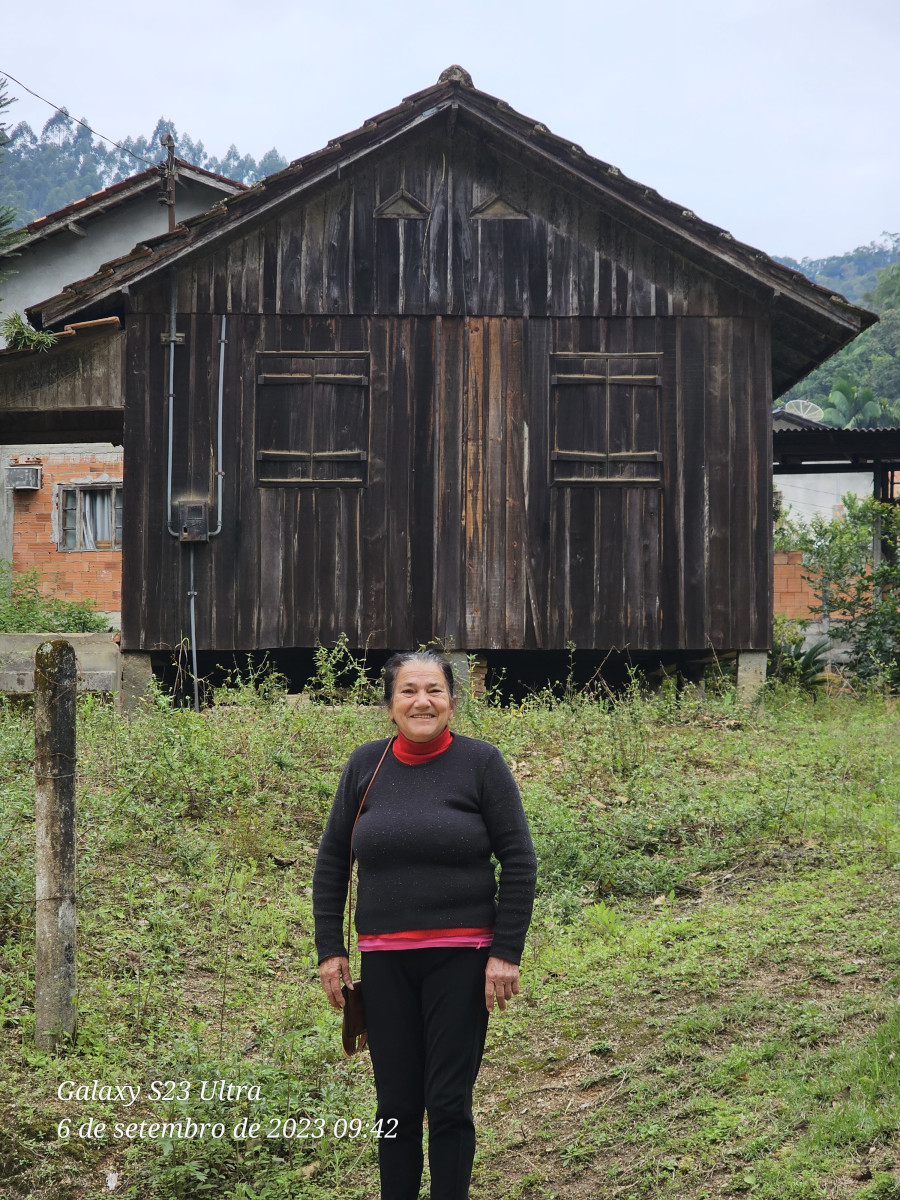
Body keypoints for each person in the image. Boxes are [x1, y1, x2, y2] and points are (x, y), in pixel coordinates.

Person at [313, 649, 537, 1200]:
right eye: (409, 691)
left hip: (461, 959)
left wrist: (506, 952)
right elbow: (332, 861)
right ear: (390, 705)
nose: (422, 701)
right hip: (385, 962)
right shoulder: (366, 766)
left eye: (434, 690)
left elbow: (520, 859)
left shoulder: (481, 764)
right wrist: (330, 950)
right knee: (395, 1104)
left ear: (452, 703)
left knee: (447, 1103)